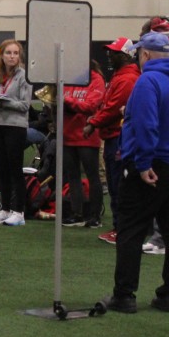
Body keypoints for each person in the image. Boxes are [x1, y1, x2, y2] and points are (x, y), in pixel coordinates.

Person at [102, 31, 169, 314]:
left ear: (144, 54)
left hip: (151, 164)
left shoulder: (148, 81)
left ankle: (124, 295)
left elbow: (147, 125)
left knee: (131, 229)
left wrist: (143, 164)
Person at [87, 38, 140, 244]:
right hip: (113, 136)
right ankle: (121, 227)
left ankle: (122, 229)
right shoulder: (120, 76)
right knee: (116, 184)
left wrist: (94, 123)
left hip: (118, 137)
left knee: (119, 186)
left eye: (114, 52)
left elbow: (113, 108)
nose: (109, 56)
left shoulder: (127, 79)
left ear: (126, 56)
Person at [0, 39, 33, 227]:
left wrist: (4, 102)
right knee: (0, 168)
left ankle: (18, 211)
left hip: (16, 126)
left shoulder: (24, 76)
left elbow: (25, 105)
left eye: (15, 53)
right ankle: (4, 209)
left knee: (15, 168)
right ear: (2, 56)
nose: (12, 56)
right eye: (8, 53)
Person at [61, 60, 106, 227]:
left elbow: (91, 106)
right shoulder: (68, 78)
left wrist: (67, 102)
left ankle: (95, 216)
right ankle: (76, 213)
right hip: (68, 134)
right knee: (72, 176)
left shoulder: (96, 79)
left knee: (92, 176)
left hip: (87, 135)